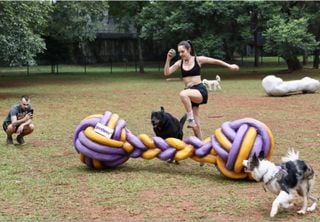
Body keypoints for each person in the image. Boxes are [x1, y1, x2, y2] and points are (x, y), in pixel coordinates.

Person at [164, 40, 239, 140]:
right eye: (179, 52)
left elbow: (215, 61)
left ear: (189, 50)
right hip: (190, 93)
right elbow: (167, 73)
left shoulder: (198, 60)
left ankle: (190, 119)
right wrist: (168, 59)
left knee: (183, 94)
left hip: (199, 91)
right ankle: (201, 145)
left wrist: (229, 66)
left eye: (183, 51)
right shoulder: (179, 63)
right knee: (196, 127)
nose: (181, 54)